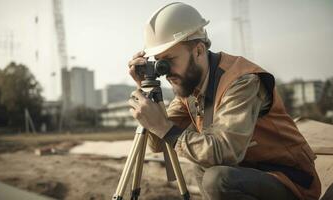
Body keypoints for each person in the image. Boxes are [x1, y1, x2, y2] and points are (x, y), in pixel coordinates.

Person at [127, 2, 321, 200]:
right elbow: (159, 143)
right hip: (249, 172)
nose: (165, 71)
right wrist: (145, 90)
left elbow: (226, 151)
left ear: (199, 51)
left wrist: (164, 127)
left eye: (169, 60)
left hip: (289, 181)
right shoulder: (191, 87)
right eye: (160, 63)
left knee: (217, 179)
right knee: (201, 162)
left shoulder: (242, 81)